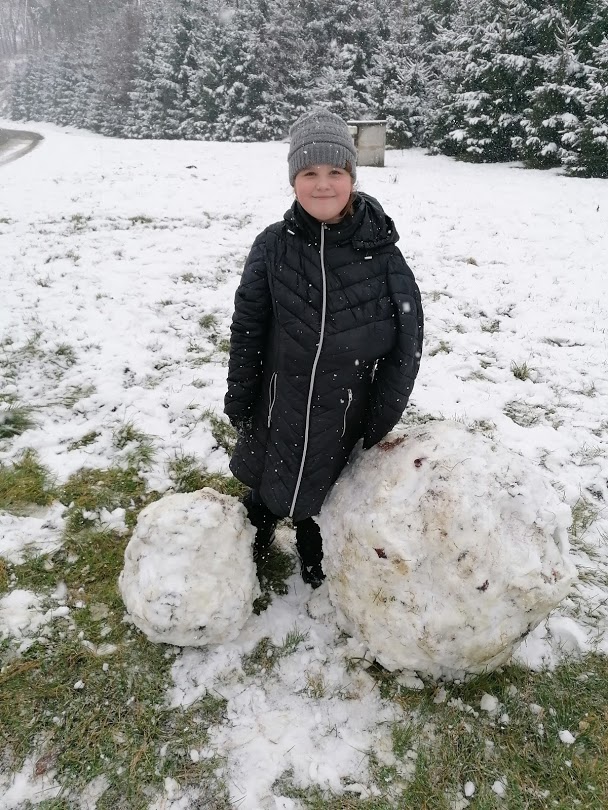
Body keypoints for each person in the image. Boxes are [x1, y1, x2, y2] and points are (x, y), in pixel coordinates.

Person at [224, 109, 423, 588]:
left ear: (352, 177)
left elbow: (406, 349)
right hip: (277, 403)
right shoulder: (272, 246)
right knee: (268, 479)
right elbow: (248, 329)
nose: (322, 185)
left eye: (335, 171)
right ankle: (253, 536)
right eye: (309, 173)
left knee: (325, 493)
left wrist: (378, 419)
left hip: (343, 411)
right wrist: (241, 398)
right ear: (293, 180)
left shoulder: (383, 257)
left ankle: (317, 551)